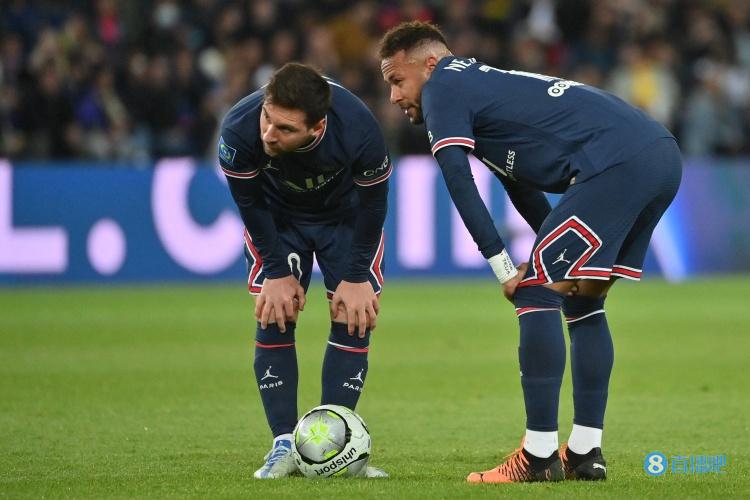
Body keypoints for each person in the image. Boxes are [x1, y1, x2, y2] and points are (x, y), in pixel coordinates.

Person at [379, 22, 681, 483]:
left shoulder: (443, 88)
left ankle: (538, 458)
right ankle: (585, 452)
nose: (394, 96)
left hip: (615, 163)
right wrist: (548, 251)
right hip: (659, 156)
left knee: (535, 292)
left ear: (430, 65)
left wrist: (505, 267)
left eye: (398, 80)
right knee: (581, 299)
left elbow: (458, 179)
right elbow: (518, 183)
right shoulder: (481, 89)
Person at [218, 63, 390, 479]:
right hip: (278, 220)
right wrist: (276, 272)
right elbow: (250, 203)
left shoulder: (359, 130)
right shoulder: (238, 130)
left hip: (345, 219)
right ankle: (282, 444)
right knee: (275, 313)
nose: (268, 134)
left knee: (353, 317)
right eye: (267, 118)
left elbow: (373, 205)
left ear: (318, 127)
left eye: (285, 129)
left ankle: (334, 445)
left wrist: (356, 277)